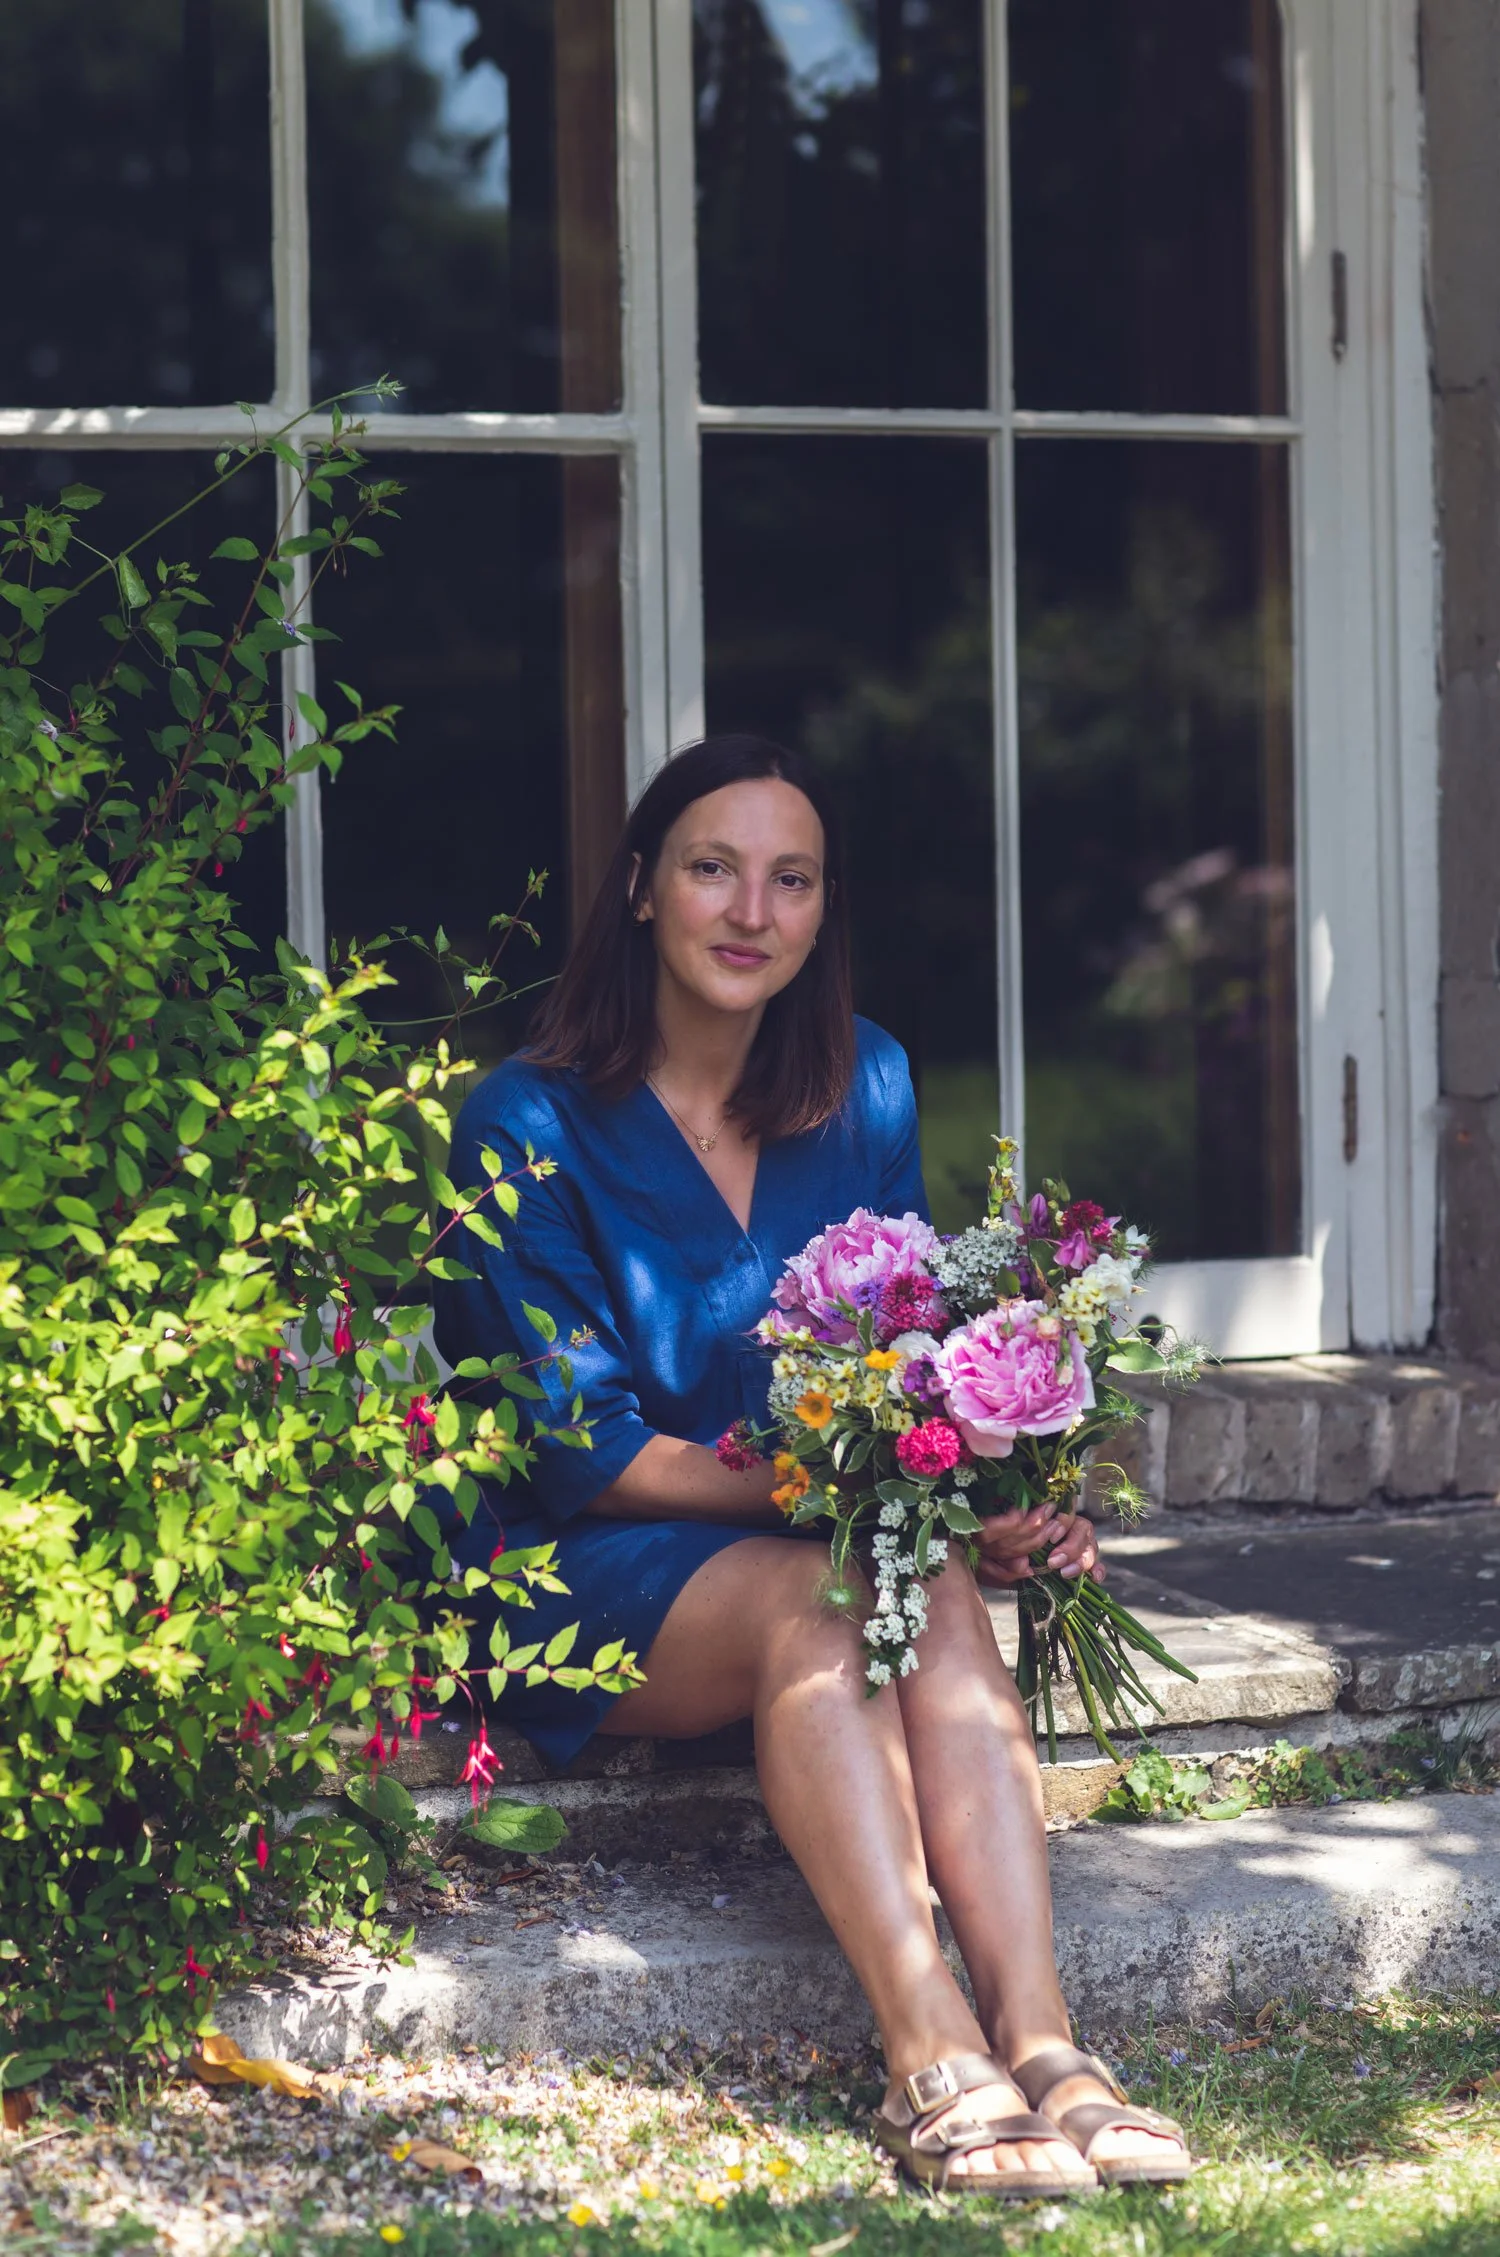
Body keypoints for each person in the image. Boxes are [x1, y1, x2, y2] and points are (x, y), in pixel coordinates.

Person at [434, 734, 1192, 2196]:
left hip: (810, 1555)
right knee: (837, 1595)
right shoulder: (522, 1122)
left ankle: (1044, 2050)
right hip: (579, 1572)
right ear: (647, 888)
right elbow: (583, 1458)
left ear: (823, 909)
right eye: (714, 868)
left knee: (932, 1594)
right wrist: (869, 1504)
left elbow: (907, 1349)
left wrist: (988, 1490)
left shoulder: (870, 1087)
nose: (750, 912)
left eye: (791, 881)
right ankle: (931, 2056)